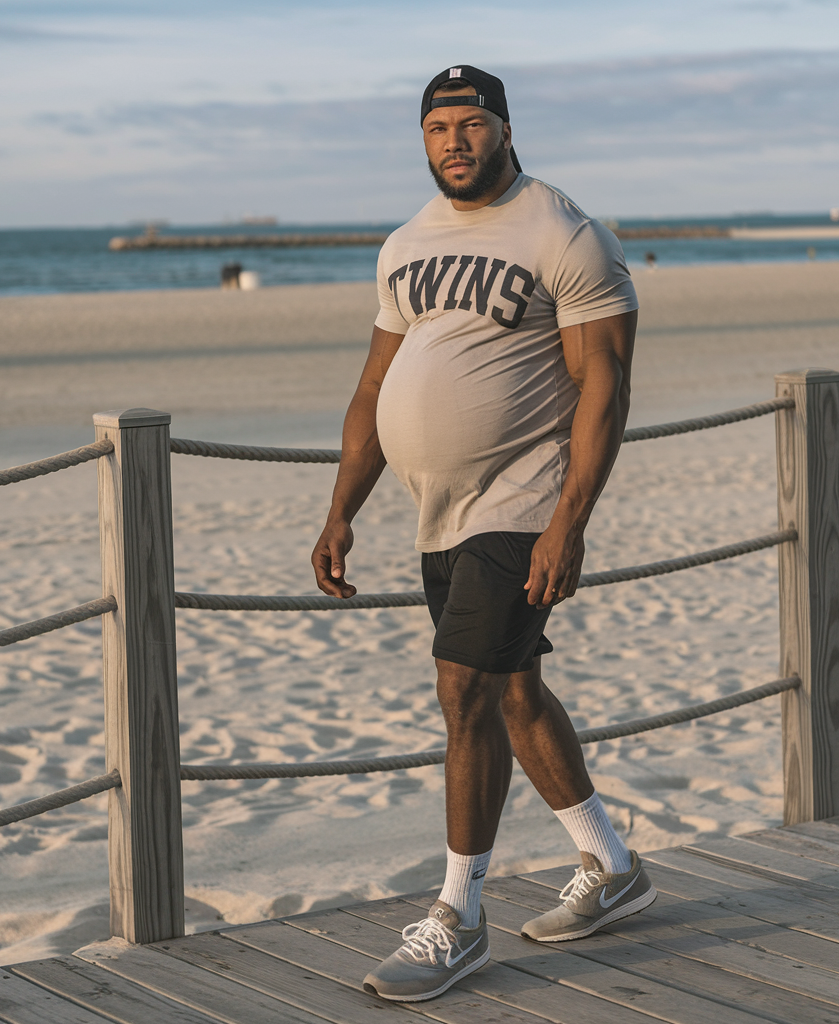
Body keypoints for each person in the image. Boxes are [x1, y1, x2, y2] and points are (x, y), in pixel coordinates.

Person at [311, 65, 655, 1003]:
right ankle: (613, 866)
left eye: (471, 124)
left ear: (505, 129)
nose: (454, 141)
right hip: (440, 509)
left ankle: (459, 917)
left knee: (462, 689)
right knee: (512, 692)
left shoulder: (564, 233)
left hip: (523, 501)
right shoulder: (405, 245)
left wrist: (568, 523)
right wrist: (342, 508)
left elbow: (605, 387)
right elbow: (374, 386)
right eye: (438, 128)